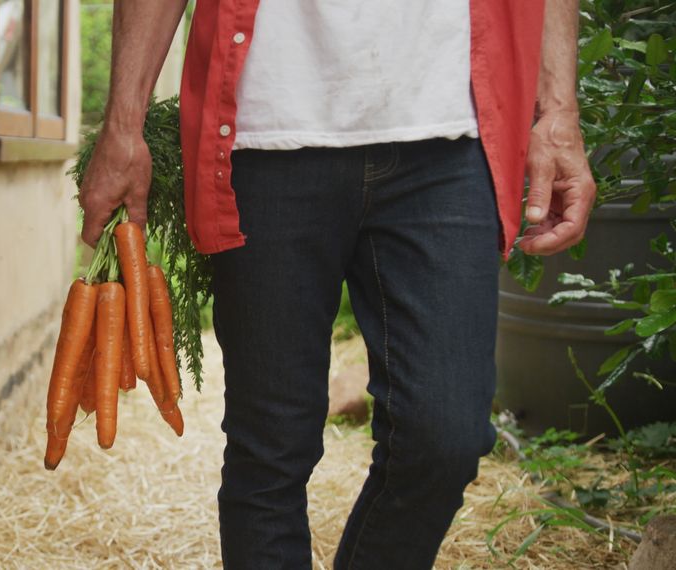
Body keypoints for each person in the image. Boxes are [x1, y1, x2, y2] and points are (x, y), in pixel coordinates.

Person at [77, 1, 597, 568]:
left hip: (450, 133)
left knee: (444, 439)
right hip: (266, 132)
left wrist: (559, 112)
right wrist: (124, 123)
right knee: (269, 450)